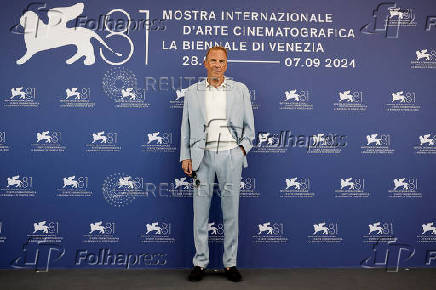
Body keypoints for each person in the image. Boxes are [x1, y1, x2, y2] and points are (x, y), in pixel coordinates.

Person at [179, 46, 255, 282]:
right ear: (205, 63)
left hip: (231, 156)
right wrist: (186, 156)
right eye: (213, 60)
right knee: (199, 213)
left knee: (231, 213)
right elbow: (186, 127)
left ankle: (230, 263)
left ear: (226, 64)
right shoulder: (192, 92)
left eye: (221, 61)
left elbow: (249, 126)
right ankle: (200, 263)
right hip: (202, 158)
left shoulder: (239, 90)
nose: (217, 64)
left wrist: (241, 150)